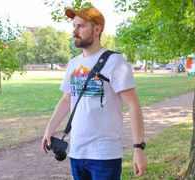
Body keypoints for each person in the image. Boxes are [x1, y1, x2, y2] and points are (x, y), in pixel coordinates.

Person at [41, 6, 147, 179]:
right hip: (77, 152)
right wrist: (49, 129)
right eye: (74, 26)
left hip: (104, 155)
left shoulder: (115, 62)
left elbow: (133, 105)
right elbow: (67, 99)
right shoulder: (74, 63)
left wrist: (138, 148)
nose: (74, 31)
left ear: (97, 29)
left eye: (80, 26)